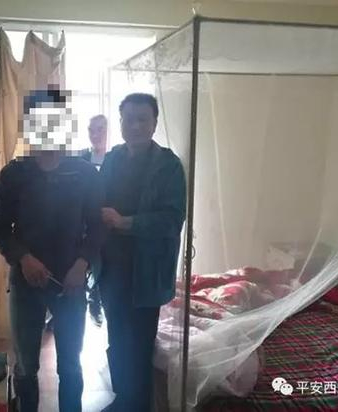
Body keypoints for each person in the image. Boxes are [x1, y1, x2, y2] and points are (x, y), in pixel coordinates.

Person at [0, 88, 104, 412]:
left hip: (70, 281)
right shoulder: (14, 174)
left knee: (70, 365)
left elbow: (98, 226)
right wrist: (23, 258)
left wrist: (82, 264)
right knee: (26, 366)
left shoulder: (84, 173)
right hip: (27, 280)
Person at [98, 93, 187, 412]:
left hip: (147, 271)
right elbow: (96, 202)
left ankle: (139, 405)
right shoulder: (112, 159)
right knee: (116, 339)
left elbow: (172, 220)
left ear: (154, 123)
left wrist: (126, 222)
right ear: (120, 122)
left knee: (140, 343)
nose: (134, 126)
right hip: (111, 269)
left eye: (142, 119)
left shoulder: (168, 166)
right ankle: (123, 399)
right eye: (128, 119)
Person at [81, 114, 108, 326]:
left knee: (101, 265)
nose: (95, 134)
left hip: (107, 222)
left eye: (100, 129)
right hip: (82, 222)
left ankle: (95, 301)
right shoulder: (81, 158)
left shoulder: (115, 160)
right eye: (91, 130)